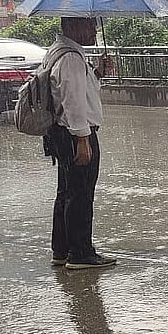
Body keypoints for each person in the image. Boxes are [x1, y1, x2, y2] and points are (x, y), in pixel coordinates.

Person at [44, 17, 116, 270]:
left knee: (67, 192)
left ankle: (62, 250)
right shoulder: (71, 59)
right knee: (81, 194)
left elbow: (81, 90)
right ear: (73, 27)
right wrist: (83, 140)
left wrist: (98, 72)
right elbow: (73, 103)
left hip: (64, 134)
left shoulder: (60, 52)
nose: (94, 30)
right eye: (90, 26)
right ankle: (81, 253)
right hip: (76, 134)